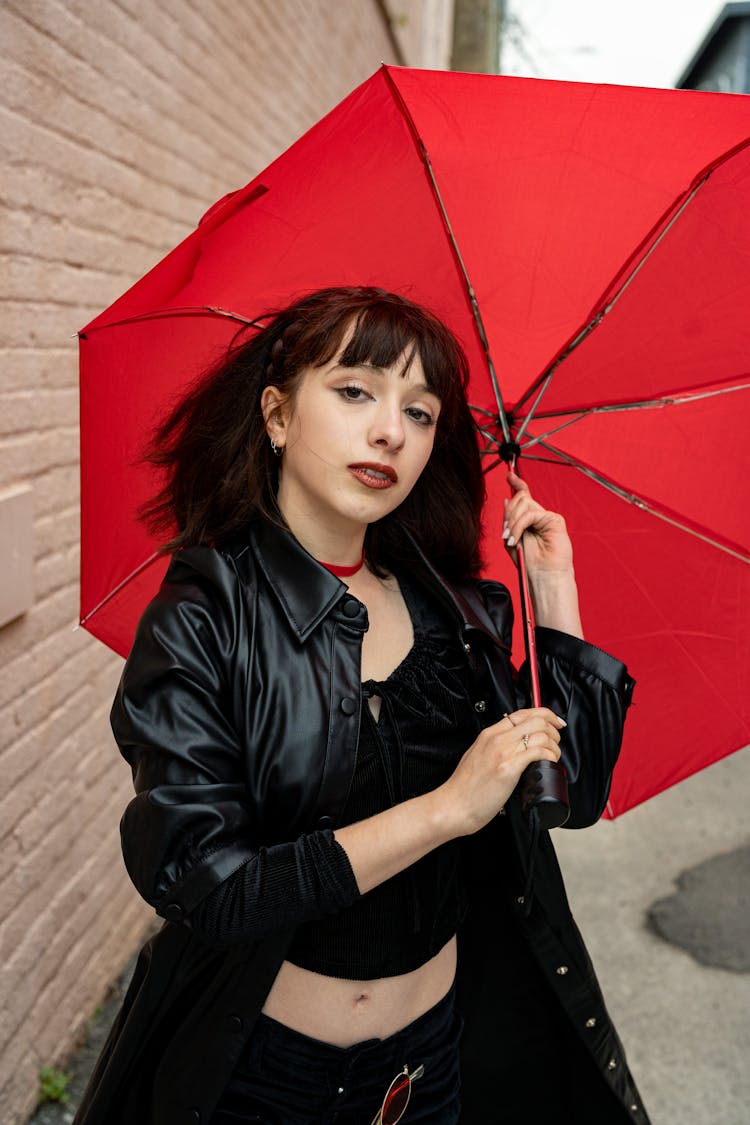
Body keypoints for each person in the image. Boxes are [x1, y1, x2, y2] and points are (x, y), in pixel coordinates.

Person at [74, 287, 648, 1125]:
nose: (390, 431)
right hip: (272, 1082)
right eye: (356, 392)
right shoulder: (205, 616)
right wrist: (446, 809)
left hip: (435, 1064)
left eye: (420, 412)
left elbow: (574, 795)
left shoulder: (451, 609)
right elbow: (212, 887)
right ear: (276, 414)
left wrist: (553, 591)